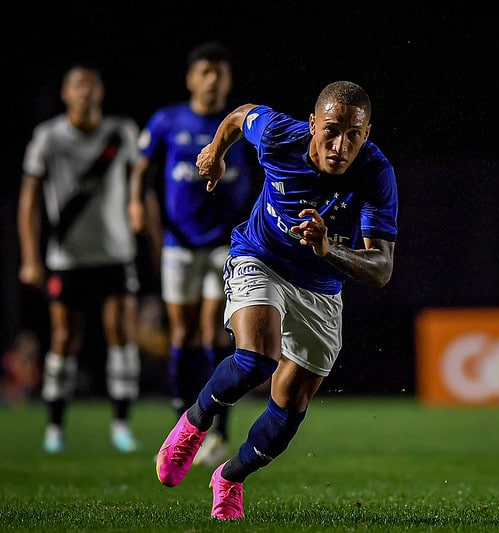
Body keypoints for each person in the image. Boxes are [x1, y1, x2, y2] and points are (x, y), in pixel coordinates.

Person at [154, 80, 397, 520]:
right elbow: (239, 115)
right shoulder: (279, 135)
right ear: (311, 125)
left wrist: (329, 250)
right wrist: (215, 151)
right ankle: (194, 424)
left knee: (291, 406)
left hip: (321, 289)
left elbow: (382, 268)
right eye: (331, 130)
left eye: (354, 135)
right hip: (260, 257)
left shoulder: (376, 173)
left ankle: (228, 478)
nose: (341, 145)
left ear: (367, 134)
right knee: (257, 359)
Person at [128, 42, 258, 467]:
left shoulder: (241, 126)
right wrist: (135, 203)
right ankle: (181, 423)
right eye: (205, 71)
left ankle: (217, 430)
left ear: (229, 79)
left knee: (213, 332)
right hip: (179, 243)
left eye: (219, 72)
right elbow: (141, 168)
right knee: (181, 335)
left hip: (225, 242)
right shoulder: (168, 120)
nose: (212, 79)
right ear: (190, 79)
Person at [17, 65, 142, 453]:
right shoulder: (49, 137)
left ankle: (121, 424)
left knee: (121, 333)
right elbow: (29, 201)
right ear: (65, 94)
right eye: (77, 86)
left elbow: (141, 180)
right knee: (63, 338)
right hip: (67, 257)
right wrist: (30, 257)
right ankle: (55, 427)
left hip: (116, 252)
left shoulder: (121, 131)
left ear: (100, 92)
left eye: (91, 85)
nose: (84, 92)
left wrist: (141, 210)